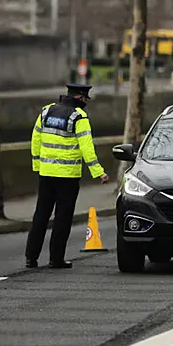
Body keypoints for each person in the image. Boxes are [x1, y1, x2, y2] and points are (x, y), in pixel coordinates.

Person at [25, 83, 110, 269]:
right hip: (67, 176)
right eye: (85, 99)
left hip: (46, 173)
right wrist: (98, 172)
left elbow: (36, 139)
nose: (86, 103)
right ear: (80, 97)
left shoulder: (46, 112)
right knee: (62, 218)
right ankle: (56, 258)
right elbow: (86, 147)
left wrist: (37, 165)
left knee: (41, 215)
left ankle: (31, 257)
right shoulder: (79, 117)